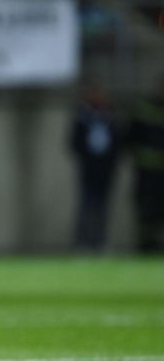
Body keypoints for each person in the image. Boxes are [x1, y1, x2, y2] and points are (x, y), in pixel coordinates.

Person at [68, 81, 121, 251]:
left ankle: (100, 242)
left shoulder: (110, 116)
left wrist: (109, 161)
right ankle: (82, 242)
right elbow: (74, 143)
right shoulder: (82, 117)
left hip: (105, 171)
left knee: (103, 208)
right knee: (86, 206)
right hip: (88, 170)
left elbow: (118, 142)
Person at [127, 75, 164, 253]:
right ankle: (145, 245)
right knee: (147, 209)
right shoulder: (143, 109)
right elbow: (132, 139)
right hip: (147, 172)